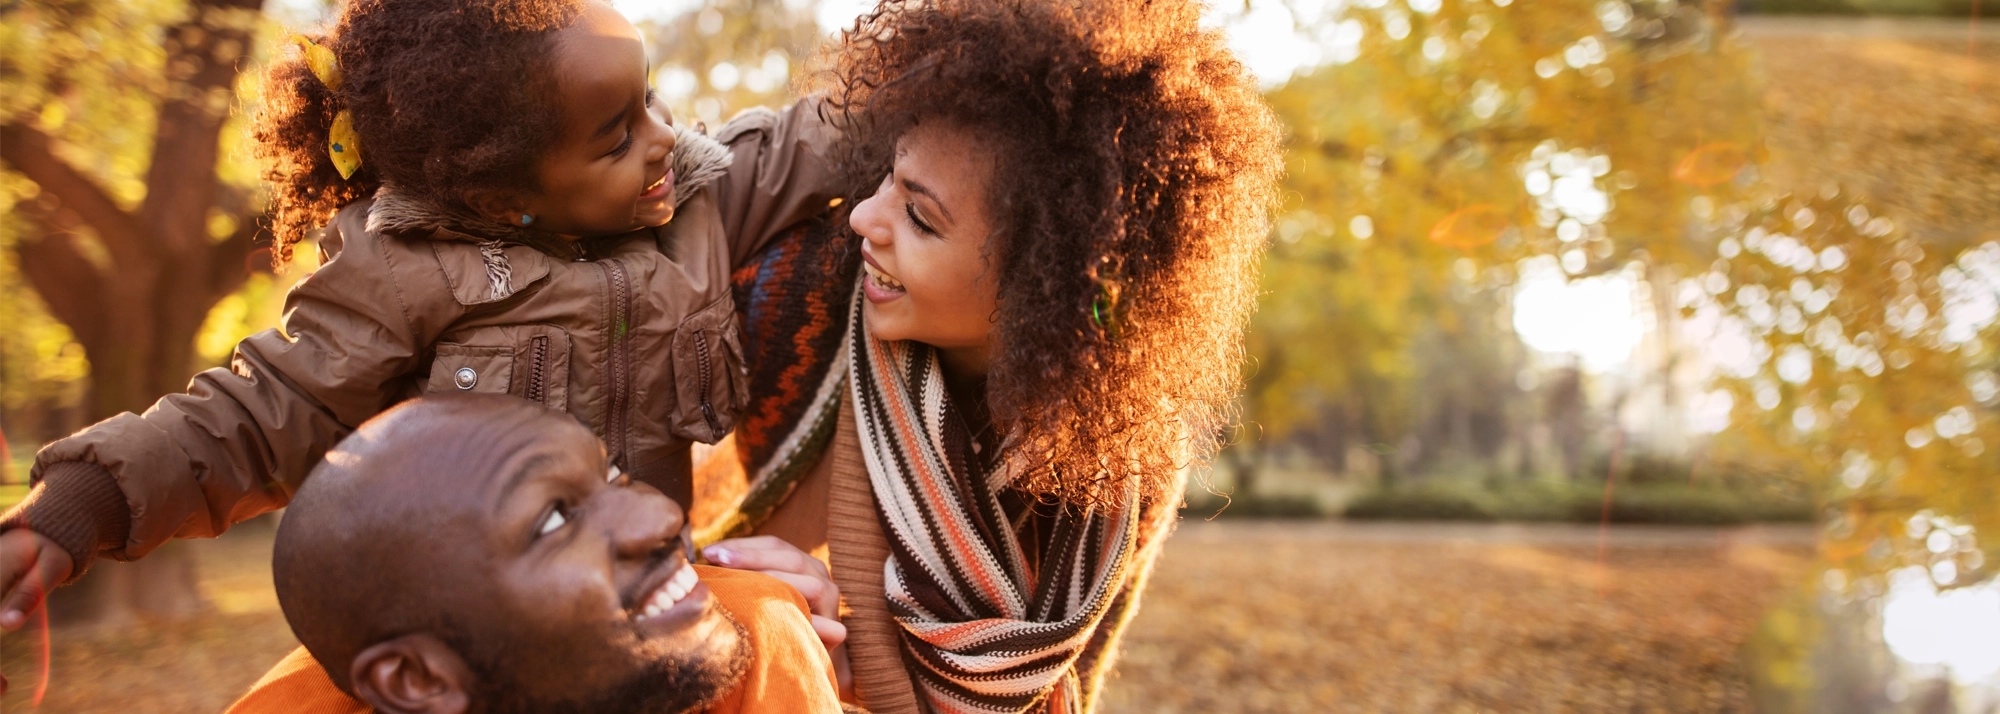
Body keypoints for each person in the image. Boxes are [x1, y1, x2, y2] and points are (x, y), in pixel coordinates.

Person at [0, 0, 839, 633]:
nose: (661, 139)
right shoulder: (401, 277)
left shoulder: (695, 198)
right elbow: (258, 414)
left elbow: (825, 134)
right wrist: (85, 504)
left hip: (641, 590)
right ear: (499, 195)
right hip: (483, 630)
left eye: (650, 103)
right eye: (615, 137)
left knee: (787, 630)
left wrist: (948, 49)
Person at [690, 0, 1284, 711]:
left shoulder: (1118, 465)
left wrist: (847, 676)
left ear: (1047, 284)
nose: (863, 218)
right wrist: (756, 606)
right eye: (888, 175)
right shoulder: (797, 292)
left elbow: (1071, 692)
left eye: (919, 216)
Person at [224, 394, 844, 714]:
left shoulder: (760, 632)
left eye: (614, 473)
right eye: (553, 520)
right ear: (417, 681)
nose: (663, 516)